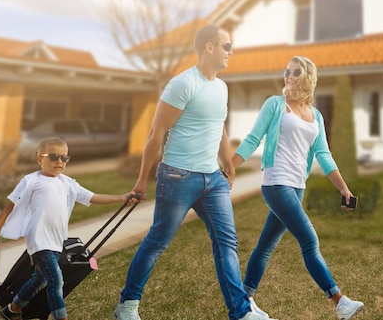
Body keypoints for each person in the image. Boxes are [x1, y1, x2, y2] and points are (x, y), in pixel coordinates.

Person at [113, 25, 272, 320]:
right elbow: (156, 132)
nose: (231, 52)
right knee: (158, 241)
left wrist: (227, 161)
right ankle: (127, 305)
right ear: (208, 47)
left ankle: (240, 312)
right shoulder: (182, 84)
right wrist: (141, 178)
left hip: (213, 179)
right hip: (178, 177)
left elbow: (219, 127)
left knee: (227, 242)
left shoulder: (221, 87)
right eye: (226, 46)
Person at [231, 56, 365, 320]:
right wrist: (231, 166)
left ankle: (244, 300)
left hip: (296, 187)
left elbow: (323, 155)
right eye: (287, 71)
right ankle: (339, 301)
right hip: (276, 183)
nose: (289, 75)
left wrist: (343, 188)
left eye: (296, 71)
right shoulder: (275, 104)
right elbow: (253, 138)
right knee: (309, 241)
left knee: (265, 246)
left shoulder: (316, 116)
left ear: (308, 78)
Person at [0, 137, 136, 320]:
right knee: (56, 280)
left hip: (56, 241)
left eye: (64, 158)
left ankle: (13, 309)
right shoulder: (31, 181)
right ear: (39, 159)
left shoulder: (68, 184)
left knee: (40, 279)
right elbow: (11, 205)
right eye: (52, 156)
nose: (59, 161)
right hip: (39, 240)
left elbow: (92, 197)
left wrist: (122, 197)